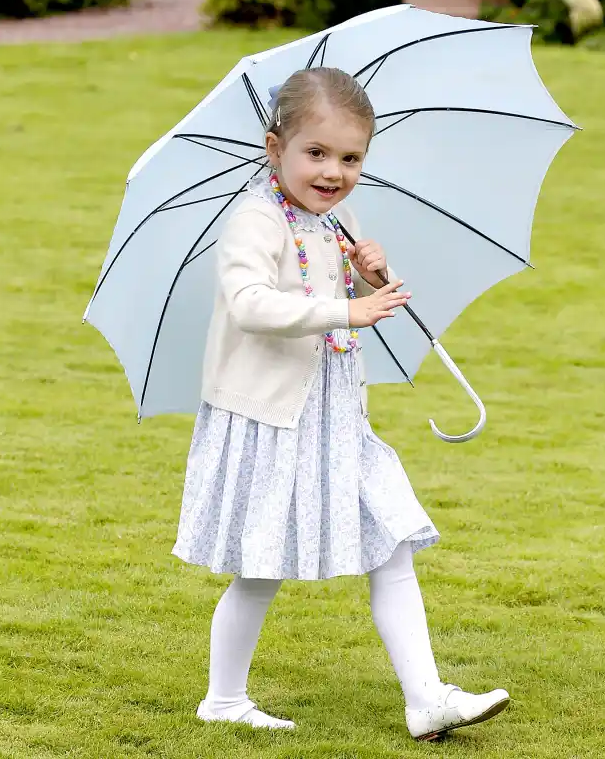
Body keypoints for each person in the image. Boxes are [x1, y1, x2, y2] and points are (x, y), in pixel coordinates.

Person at [171, 66, 509, 742]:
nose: (334, 172)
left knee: (393, 539)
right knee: (260, 569)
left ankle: (427, 698)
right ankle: (224, 698)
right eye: (317, 153)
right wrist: (347, 309)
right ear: (276, 148)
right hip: (270, 419)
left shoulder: (338, 219)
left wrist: (371, 275)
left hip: (337, 417)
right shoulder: (255, 219)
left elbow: (351, 293)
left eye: (351, 158)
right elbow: (250, 304)